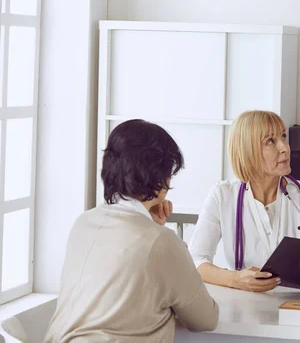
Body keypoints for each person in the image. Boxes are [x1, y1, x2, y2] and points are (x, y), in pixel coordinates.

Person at [44, 120, 219, 343]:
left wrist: (151, 224)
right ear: (159, 178)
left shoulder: (83, 223)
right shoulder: (161, 242)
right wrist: (157, 232)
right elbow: (206, 319)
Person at [188, 110, 300, 294]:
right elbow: (195, 261)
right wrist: (236, 279)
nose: (284, 148)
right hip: (243, 305)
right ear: (247, 150)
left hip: (297, 305)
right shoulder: (222, 196)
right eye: (270, 142)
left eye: (283, 137)